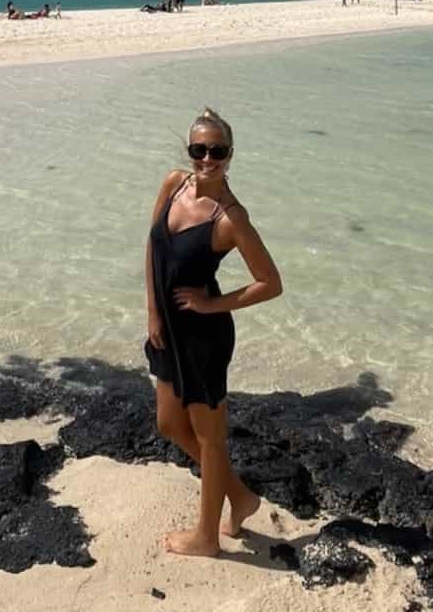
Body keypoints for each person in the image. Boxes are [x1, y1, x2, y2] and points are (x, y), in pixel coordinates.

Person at [145, 108, 283, 557]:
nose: (207, 158)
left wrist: (211, 304)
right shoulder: (173, 183)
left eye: (217, 151)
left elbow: (270, 282)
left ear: (230, 155)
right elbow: (153, 247)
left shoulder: (230, 218)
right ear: (189, 151)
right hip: (168, 328)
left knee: (210, 439)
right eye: (198, 149)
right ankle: (240, 496)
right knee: (169, 423)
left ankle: (208, 538)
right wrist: (154, 312)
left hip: (204, 338)